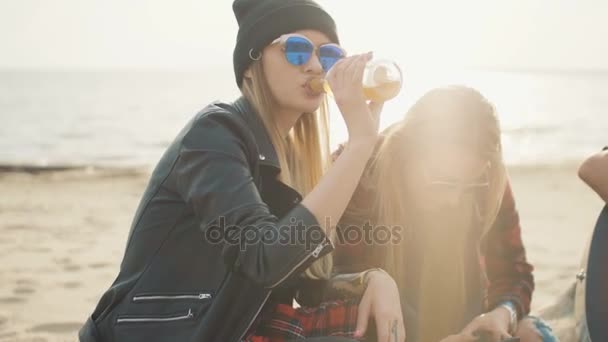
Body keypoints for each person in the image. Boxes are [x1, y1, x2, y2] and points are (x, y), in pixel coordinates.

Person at [78, 0, 404, 341]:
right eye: (295, 50)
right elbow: (268, 261)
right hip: (160, 333)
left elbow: (305, 284)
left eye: (327, 55)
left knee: (372, 319)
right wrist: (361, 144)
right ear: (251, 65)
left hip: (230, 329)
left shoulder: (290, 160)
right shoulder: (214, 134)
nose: (313, 66)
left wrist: (370, 279)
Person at [325, 86, 559, 342]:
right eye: (444, 183)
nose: (455, 199)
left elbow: (513, 271)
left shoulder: (487, 181)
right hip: (378, 331)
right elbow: (320, 287)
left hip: (464, 325)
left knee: (534, 333)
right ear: (405, 154)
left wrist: (504, 313)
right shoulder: (358, 174)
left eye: (468, 185)